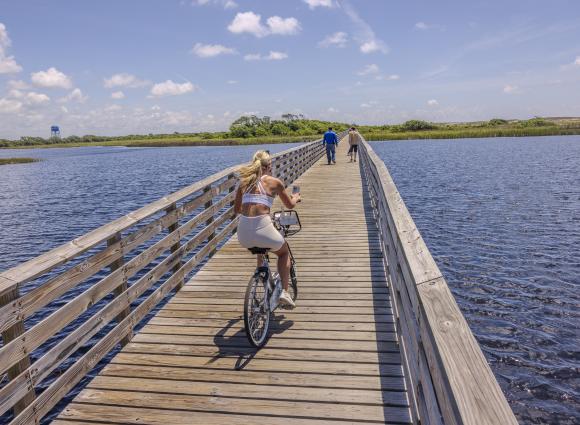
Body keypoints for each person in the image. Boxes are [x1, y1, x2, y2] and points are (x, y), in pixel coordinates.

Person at [234, 150, 301, 308]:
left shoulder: (243, 183)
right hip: (263, 229)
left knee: (260, 251)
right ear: (269, 165)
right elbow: (290, 205)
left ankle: (263, 287)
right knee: (283, 253)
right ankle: (284, 292)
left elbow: (237, 209)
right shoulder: (274, 182)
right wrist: (296, 197)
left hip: (243, 234)